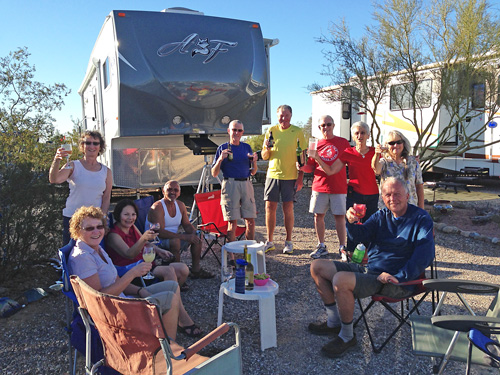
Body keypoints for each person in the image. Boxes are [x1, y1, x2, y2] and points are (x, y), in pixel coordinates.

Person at [307, 177, 434, 358]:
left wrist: (399, 275)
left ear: (407, 195)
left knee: (340, 280)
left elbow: (426, 254)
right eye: (388, 194)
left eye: (397, 194)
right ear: (382, 197)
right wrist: (351, 221)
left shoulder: (420, 218)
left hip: (396, 281)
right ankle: (334, 322)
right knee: (317, 266)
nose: (393, 199)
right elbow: (361, 236)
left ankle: (347, 336)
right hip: (372, 272)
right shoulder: (382, 216)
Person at [68, 206, 203, 340]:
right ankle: (167, 350)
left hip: (123, 297)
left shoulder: (97, 249)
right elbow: (99, 299)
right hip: (115, 311)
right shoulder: (83, 258)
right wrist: (132, 274)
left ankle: (168, 340)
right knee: (170, 299)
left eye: (99, 227)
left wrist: (139, 291)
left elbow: (116, 280)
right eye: (90, 228)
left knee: (172, 287)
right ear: (77, 231)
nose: (96, 231)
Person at [311, 121, 379, 260]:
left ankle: (369, 260)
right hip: (355, 195)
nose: (360, 136)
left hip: (372, 195)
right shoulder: (348, 152)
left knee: (371, 228)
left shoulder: (375, 152)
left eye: (363, 133)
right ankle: (353, 260)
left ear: (368, 135)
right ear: (353, 137)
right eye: (356, 133)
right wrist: (317, 157)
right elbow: (330, 171)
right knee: (353, 229)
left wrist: (410, 160)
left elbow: (394, 160)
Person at [105, 199, 190, 292]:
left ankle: (166, 294)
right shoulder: (113, 235)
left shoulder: (131, 227)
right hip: (131, 271)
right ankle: (169, 301)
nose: (130, 218)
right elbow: (129, 254)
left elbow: (146, 243)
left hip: (145, 265)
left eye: (133, 214)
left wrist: (159, 251)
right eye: (126, 214)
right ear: (118, 215)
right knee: (168, 271)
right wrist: (144, 238)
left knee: (183, 269)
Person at [49, 130, 113, 246]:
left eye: (95, 143)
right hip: (73, 219)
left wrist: (102, 219)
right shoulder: (73, 165)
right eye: (87, 143)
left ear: (100, 147)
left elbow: (106, 197)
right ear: (82, 146)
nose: (91, 146)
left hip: (94, 222)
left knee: (94, 257)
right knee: (71, 257)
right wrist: (57, 160)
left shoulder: (106, 171)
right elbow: (54, 179)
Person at [301, 115, 350, 259]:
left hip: (338, 186)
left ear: (333, 125)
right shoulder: (314, 145)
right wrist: (302, 168)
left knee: (340, 217)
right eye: (323, 125)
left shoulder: (342, 142)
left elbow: (350, 163)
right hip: (319, 186)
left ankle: (342, 247)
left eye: (328, 124)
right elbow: (310, 167)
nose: (326, 128)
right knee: (318, 216)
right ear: (319, 128)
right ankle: (321, 245)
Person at [261, 105, 306, 254]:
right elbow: (264, 156)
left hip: (290, 176)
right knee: (269, 208)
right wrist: (266, 148)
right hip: (272, 175)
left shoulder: (297, 131)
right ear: (277, 116)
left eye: (286, 115)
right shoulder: (271, 130)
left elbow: (302, 158)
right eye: (281, 115)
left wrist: (300, 178)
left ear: (291, 116)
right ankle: (270, 241)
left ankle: (288, 241)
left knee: (287, 208)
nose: (283, 118)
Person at [148, 180, 214, 279]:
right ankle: (177, 274)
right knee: (176, 241)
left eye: (176, 190)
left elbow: (186, 224)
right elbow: (159, 232)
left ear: (179, 192)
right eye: (169, 189)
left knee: (197, 237)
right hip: (156, 241)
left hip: (174, 238)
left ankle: (196, 270)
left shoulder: (180, 205)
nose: (172, 192)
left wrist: (194, 232)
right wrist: (184, 236)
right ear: (163, 191)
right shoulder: (158, 207)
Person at [211, 120, 258, 242]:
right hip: (230, 184)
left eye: (239, 130)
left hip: (246, 183)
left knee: (251, 221)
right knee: (232, 224)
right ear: (228, 131)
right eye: (234, 130)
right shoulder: (222, 148)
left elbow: (253, 172)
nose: (236, 133)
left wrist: (254, 161)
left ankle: (249, 252)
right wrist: (220, 159)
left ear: (242, 132)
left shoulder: (246, 147)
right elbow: (214, 173)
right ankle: (231, 256)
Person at [372, 130, 424, 209]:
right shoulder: (385, 162)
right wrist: (377, 154)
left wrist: (421, 209)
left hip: (410, 208)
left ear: (404, 143)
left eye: (399, 142)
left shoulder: (413, 162)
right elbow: (376, 169)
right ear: (386, 146)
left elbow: (419, 186)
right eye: (392, 143)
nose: (396, 145)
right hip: (389, 208)